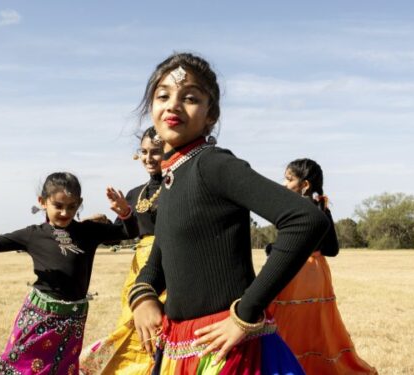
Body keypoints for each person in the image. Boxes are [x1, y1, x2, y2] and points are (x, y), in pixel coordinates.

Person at [128, 52, 330, 374]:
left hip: (225, 352)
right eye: (163, 95)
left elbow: (306, 220)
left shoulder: (213, 164)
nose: (174, 105)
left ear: (211, 114)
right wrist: (143, 296)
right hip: (179, 346)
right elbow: (159, 258)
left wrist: (246, 313)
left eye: (190, 98)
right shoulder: (170, 177)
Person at [0, 172, 138, 375]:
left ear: (79, 203)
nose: (65, 212)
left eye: (72, 206)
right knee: (22, 368)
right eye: (58, 206)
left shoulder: (89, 231)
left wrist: (126, 213)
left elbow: (129, 232)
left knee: (62, 370)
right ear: (42, 201)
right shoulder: (33, 235)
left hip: (74, 320)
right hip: (39, 317)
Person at [267, 158, 377, 374]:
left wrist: (272, 248)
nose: (284, 184)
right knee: (316, 326)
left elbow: (291, 246)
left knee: (286, 324)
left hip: (295, 273)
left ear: (304, 185)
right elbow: (332, 249)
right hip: (318, 275)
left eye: (289, 180)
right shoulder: (322, 207)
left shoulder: (296, 209)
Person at [80, 127, 165, 374]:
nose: (149, 158)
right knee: (131, 325)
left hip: (170, 265)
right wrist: (103, 224)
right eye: (144, 152)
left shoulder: (178, 188)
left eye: (156, 152)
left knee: (160, 328)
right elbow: (121, 235)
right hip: (139, 271)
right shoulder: (134, 194)